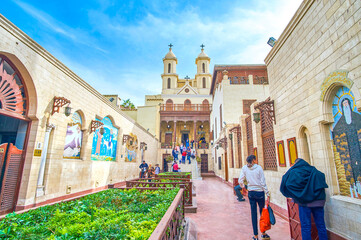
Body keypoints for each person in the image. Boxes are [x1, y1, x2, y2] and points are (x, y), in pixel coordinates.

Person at [280, 158, 328, 240]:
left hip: (304, 203)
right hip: (318, 201)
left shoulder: (294, 172)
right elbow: (321, 177)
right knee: (321, 225)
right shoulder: (313, 170)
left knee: (306, 226)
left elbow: (287, 183)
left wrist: (297, 194)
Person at [239, 155, 270, 240]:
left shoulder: (245, 168)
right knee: (262, 213)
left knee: (253, 213)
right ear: (253, 160)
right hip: (260, 192)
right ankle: (263, 233)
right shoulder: (259, 168)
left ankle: (255, 236)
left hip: (251, 193)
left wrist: (243, 188)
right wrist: (267, 193)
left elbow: (240, 180)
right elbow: (263, 182)